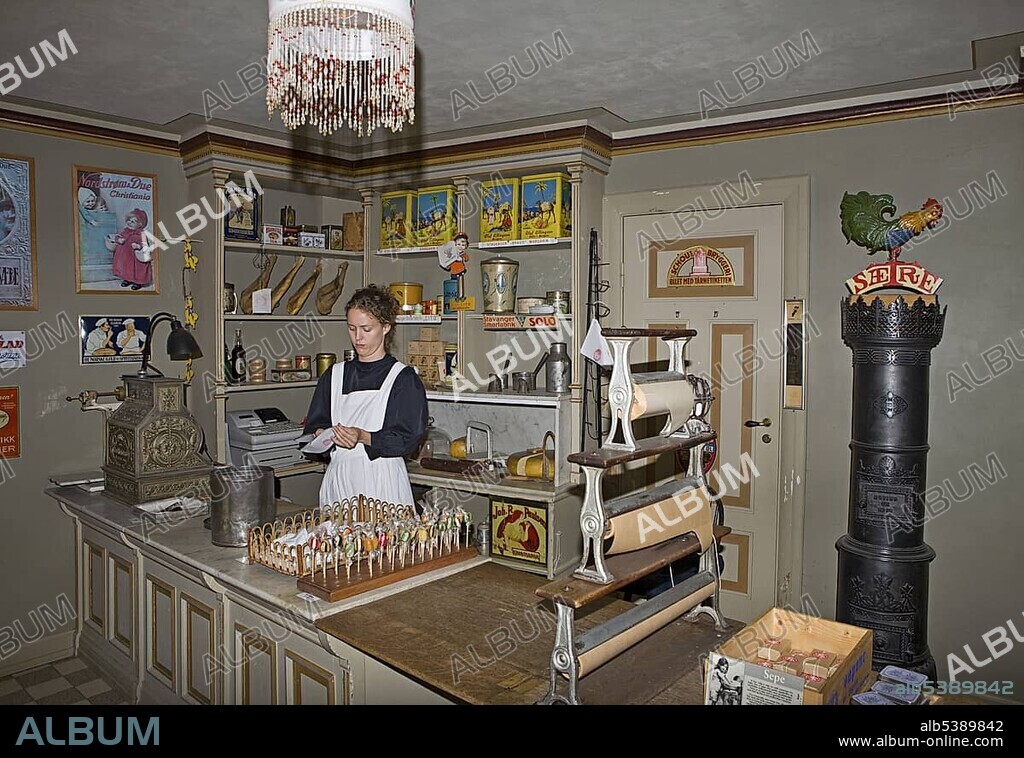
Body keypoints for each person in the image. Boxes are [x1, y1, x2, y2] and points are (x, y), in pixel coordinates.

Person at [303, 285, 428, 508]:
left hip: (383, 483)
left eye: (366, 329)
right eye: (351, 328)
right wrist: (324, 435)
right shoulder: (334, 375)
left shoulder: (402, 378)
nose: (358, 337)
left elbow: (407, 439)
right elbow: (315, 424)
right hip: (340, 480)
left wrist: (362, 436)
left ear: (386, 327)